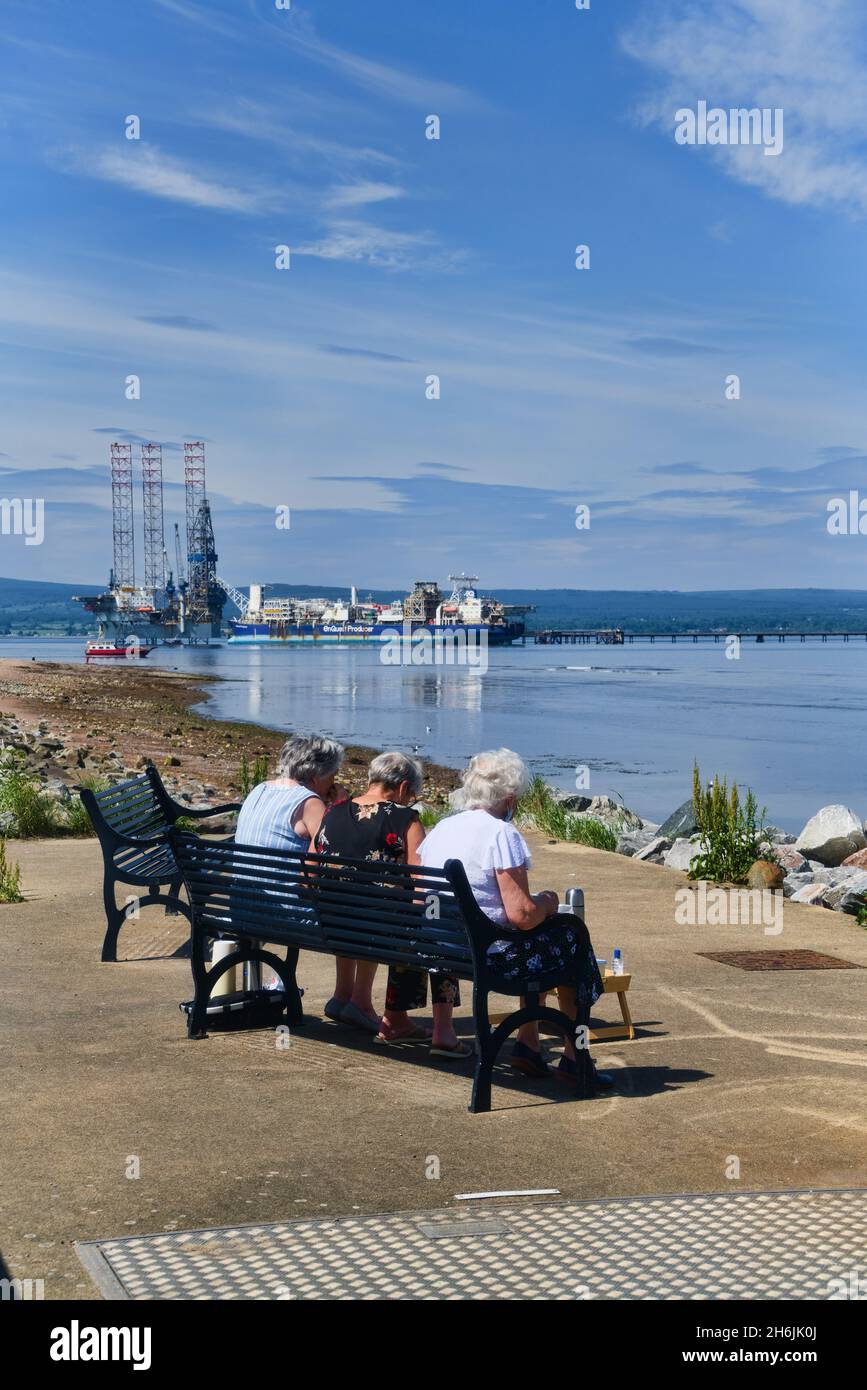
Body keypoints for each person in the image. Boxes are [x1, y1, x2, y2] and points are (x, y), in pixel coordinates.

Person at [418, 748, 613, 1094]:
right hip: (490, 954)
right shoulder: (500, 834)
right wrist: (548, 903)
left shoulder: (442, 829)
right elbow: (521, 915)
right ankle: (573, 1056)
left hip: (442, 945)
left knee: (543, 939)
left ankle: (529, 1043)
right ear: (509, 799)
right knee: (572, 939)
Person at [314, 751, 468, 1058]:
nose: (411, 801)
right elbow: (422, 885)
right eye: (413, 794)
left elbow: (309, 868)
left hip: (334, 925)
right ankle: (404, 1021)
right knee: (435, 926)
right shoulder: (405, 820)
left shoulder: (333, 813)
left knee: (409, 921)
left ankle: (396, 1019)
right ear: (402, 788)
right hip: (381, 931)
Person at [235, 733, 346, 852]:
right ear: (316, 778)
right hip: (283, 871)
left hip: (242, 869)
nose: (333, 783)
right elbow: (336, 849)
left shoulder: (260, 788)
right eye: (332, 776)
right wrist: (342, 806)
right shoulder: (309, 803)